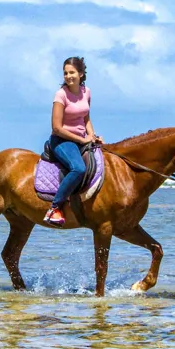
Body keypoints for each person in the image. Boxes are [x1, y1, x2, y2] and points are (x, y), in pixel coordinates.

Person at [44, 56, 103, 227]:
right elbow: (56, 128)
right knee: (78, 168)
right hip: (62, 141)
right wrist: (82, 139)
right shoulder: (61, 95)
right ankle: (54, 208)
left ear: (81, 74)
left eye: (72, 72)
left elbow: (86, 118)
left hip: (82, 140)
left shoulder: (87, 92)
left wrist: (92, 136)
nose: (68, 76)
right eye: (65, 73)